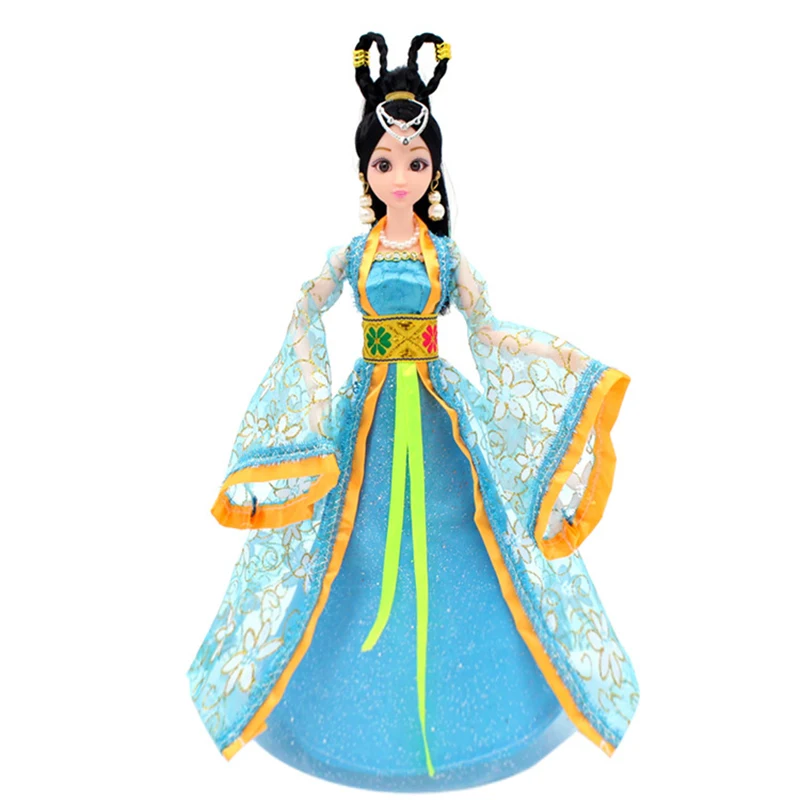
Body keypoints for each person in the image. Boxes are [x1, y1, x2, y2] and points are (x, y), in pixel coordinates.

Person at [187, 31, 638, 791]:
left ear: (433, 170)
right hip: (368, 410)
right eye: (386, 162)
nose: (401, 176)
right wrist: (303, 396)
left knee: (468, 532)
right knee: (349, 541)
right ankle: (336, 706)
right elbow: (305, 311)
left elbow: (489, 332)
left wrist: (568, 372)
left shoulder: (447, 259)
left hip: (435, 409)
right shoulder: (351, 255)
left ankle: (492, 702)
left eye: (416, 162)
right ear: (366, 169)